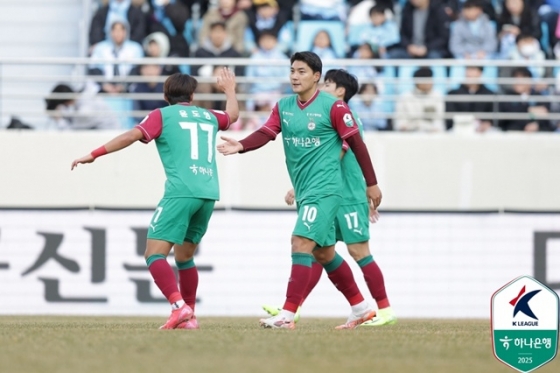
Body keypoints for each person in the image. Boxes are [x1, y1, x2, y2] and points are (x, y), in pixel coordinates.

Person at [217, 52, 382, 330]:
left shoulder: (335, 107)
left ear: (316, 77)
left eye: (302, 71)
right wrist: (241, 145)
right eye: (292, 70)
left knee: (300, 242)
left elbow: (357, 145)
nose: (294, 76)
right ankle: (361, 308)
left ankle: (288, 314)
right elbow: (267, 132)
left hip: (326, 189)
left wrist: (372, 183)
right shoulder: (284, 106)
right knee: (324, 253)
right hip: (305, 191)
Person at [71, 69, 239, 330]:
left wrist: (95, 153)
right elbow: (232, 116)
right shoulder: (208, 116)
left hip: (181, 191)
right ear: (192, 96)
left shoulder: (162, 115)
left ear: (165, 95)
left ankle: (178, 306)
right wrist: (229, 91)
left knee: (153, 254)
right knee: (185, 257)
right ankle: (189, 316)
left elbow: (131, 135)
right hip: (208, 193)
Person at [262, 69, 396, 327]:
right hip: (327, 192)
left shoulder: (344, 113)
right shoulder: (323, 110)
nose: (322, 87)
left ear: (340, 91)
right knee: (319, 252)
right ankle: (295, 308)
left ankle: (385, 309)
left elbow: (342, 150)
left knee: (359, 251)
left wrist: (367, 190)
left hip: (346, 194)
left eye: (328, 83)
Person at [88, 20, 144, 94]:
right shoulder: (100, 47)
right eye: (115, 30)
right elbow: (93, 68)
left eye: (121, 30)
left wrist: (124, 85)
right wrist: (104, 85)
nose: (118, 33)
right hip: (104, 87)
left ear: (126, 32)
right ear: (110, 32)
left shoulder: (135, 48)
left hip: (128, 88)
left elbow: (137, 70)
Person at [45, 82, 121, 130]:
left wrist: (59, 120)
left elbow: (70, 134)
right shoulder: (83, 98)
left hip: (108, 135)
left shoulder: (84, 111)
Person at [498, 67, 553, 132]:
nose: (518, 82)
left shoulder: (539, 96)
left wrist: (536, 124)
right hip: (514, 134)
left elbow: (545, 115)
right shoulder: (508, 97)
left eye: (522, 78)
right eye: (515, 78)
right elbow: (508, 117)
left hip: (537, 135)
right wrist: (529, 110)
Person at [394, 67, 445, 132]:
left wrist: (425, 127)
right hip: (409, 135)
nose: (430, 83)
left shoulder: (437, 96)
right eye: (427, 80)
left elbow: (438, 122)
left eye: (431, 79)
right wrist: (414, 126)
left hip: (432, 136)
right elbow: (400, 123)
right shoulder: (405, 97)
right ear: (418, 82)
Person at [446, 66, 496, 131]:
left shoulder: (490, 94)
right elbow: (450, 117)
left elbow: (492, 116)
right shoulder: (453, 94)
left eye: (473, 70)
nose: (469, 73)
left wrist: (487, 124)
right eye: (468, 70)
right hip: (460, 128)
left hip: (483, 131)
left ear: (480, 73)